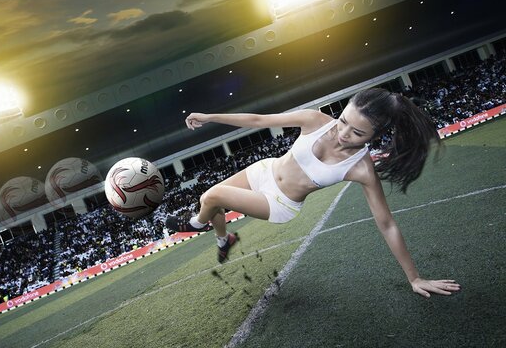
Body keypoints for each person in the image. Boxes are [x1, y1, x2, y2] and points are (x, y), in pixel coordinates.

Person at [166, 88, 460, 298]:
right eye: (344, 120)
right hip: (264, 170)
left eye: (358, 133)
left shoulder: (360, 168)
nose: (343, 133)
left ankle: (196, 223)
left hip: (278, 202)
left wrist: (415, 277)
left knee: (211, 198)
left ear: (375, 135)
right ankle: (224, 238)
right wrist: (210, 116)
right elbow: (257, 120)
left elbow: (386, 223)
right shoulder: (315, 120)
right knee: (212, 200)